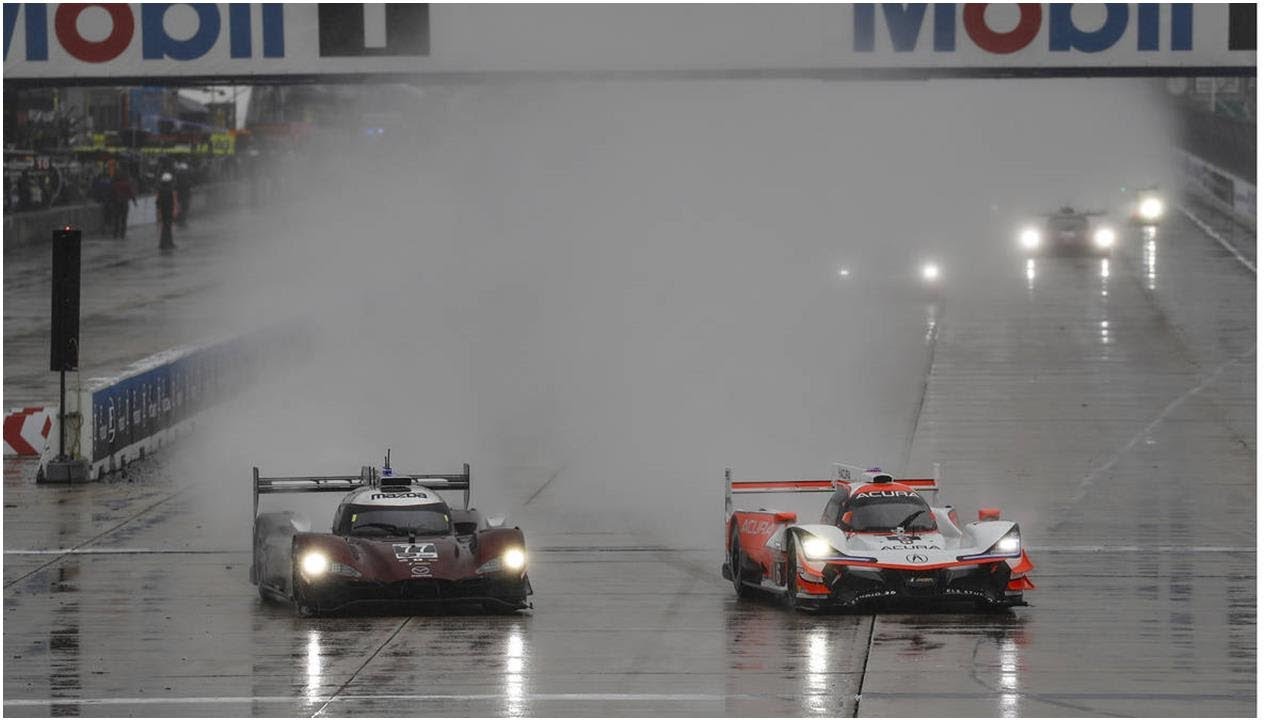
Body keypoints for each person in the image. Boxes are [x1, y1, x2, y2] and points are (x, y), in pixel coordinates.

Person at [110, 172, 136, 239]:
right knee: (124, 219)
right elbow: (131, 193)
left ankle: (115, 234)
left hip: (117, 203)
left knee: (117, 219)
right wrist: (134, 202)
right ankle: (122, 234)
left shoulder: (114, 185)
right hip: (124, 203)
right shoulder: (127, 184)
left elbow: (111, 194)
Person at [156, 172, 178, 251]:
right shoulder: (172, 190)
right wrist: (175, 211)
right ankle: (165, 244)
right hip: (169, 211)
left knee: (165, 227)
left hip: (163, 211)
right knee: (167, 228)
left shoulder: (160, 190)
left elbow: (158, 202)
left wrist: (158, 213)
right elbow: (174, 201)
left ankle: (167, 243)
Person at [174, 162, 192, 227]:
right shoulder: (185, 176)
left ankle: (181, 220)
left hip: (181, 194)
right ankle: (182, 220)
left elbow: (176, 186)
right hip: (184, 194)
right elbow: (188, 185)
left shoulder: (178, 175)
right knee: (184, 207)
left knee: (182, 207)